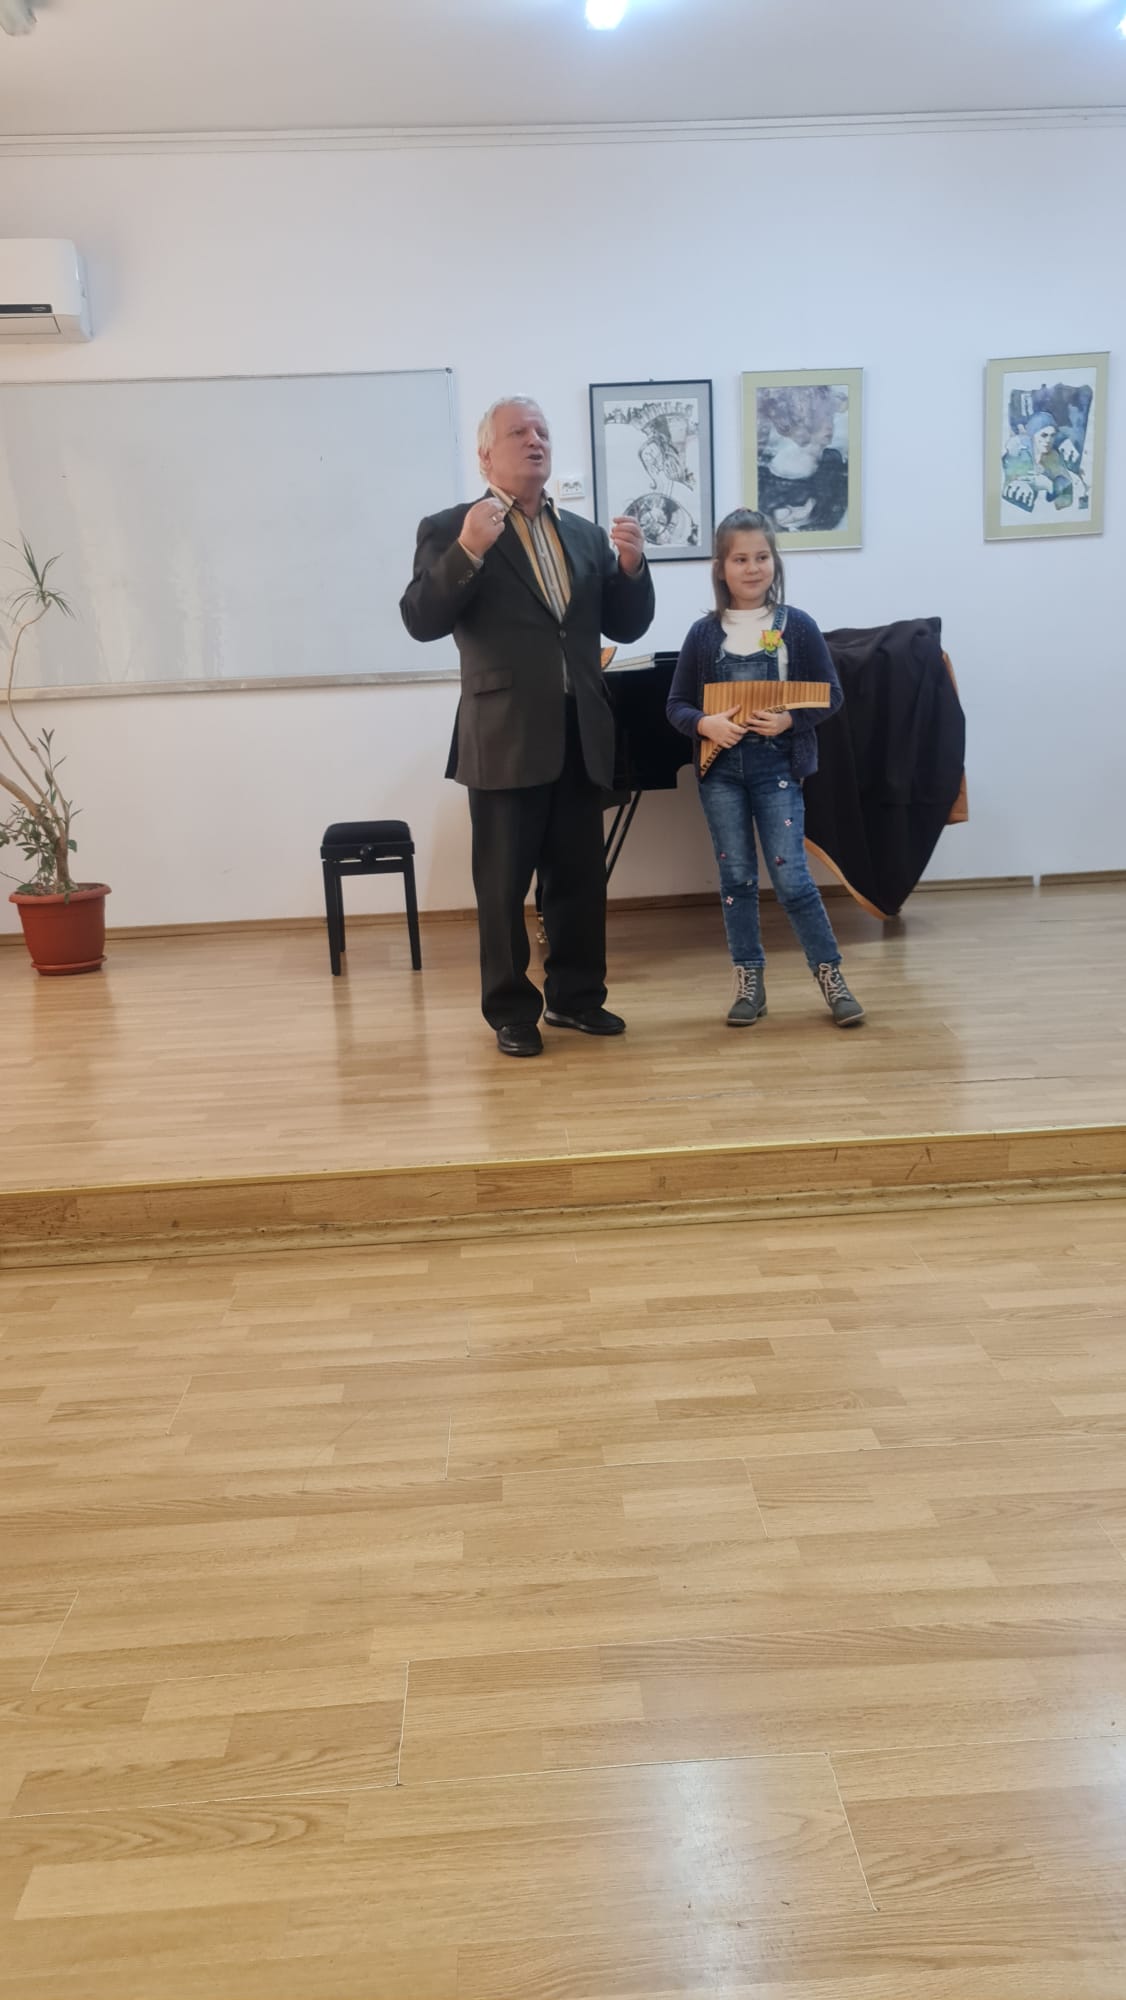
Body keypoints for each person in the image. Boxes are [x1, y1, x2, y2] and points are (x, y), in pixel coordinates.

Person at [400, 397, 655, 1057]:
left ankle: (577, 998)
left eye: (541, 431)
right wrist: (467, 552)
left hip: (581, 730)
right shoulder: (451, 527)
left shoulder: (586, 536)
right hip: (503, 734)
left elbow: (626, 626)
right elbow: (421, 618)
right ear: (485, 455)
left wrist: (632, 570)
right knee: (502, 884)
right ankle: (511, 1010)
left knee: (578, 881)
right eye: (518, 432)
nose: (535, 440)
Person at [666, 508, 865, 1028]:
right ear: (720, 567)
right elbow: (676, 705)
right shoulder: (703, 635)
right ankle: (749, 982)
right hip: (721, 773)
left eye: (761, 557)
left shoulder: (797, 626)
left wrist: (789, 720)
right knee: (736, 878)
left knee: (792, 877)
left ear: (774, 561)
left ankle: (831, 976)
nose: (752, 568)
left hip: (777, 766)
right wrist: (706, 725)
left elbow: (830, 694)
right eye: (740, 559)